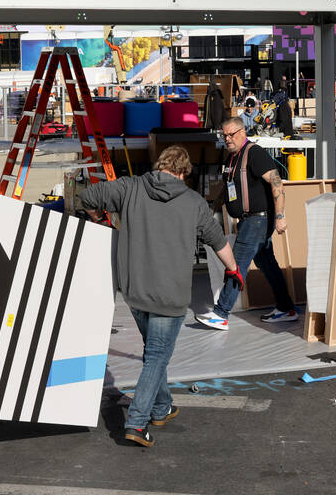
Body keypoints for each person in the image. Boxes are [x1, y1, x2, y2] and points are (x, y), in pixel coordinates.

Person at [79, 145, 239, 448]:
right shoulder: (193, 202)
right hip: (170, 296)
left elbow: (88, 197)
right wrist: (234, 270)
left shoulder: (130, 187)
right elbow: (217, 241)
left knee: (155, 353)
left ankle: (162, 407)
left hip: (135, 291)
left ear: (160, 165)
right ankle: (137, 423)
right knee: (155, 357)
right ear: (182, 173)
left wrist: (99, 219)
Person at [196, 117, 296, 330]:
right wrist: (213, 207)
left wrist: (280, 216)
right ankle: (286, 308)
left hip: (257, 220)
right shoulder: (232, 158)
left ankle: (221, 313)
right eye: (224, 135)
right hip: (249, 221)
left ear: (243, 132)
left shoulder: (254, 153)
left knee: (236, 265)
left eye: (231, 134)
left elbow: (276, 181)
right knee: (267, 265)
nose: (227, 139)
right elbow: (228, 187)